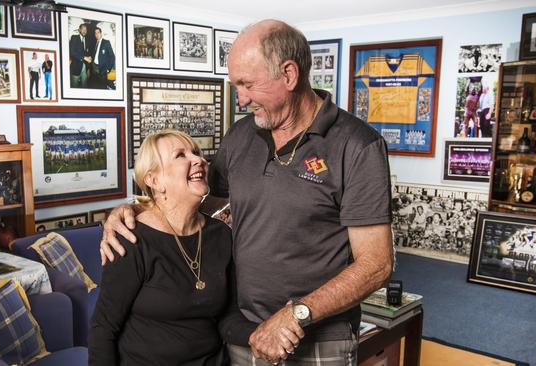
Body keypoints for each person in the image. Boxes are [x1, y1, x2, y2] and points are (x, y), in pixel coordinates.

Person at [100, 19, 393, 365]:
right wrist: (131, 212)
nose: (240, 99)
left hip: (319, 337)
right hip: (243, 332)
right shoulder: (241, 136)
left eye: (247, 84)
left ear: (288, 75)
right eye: (236, 85)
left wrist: (298, 313)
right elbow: (193, 199)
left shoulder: (358, 146)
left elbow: (377, 264)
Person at [88, 129, 271, 365]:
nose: (199, 160)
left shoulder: (220, 234)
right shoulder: (130, 238)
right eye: (180, 155)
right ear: (154, 180)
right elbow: (103, 329)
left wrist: (263, 333)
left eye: (196, 153)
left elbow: (227, 317)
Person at [69, 23, 91, 88]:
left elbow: (88, 54)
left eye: (86, 30)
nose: (84, 31)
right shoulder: (74, 37)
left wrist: (88, 69)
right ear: (79, 30)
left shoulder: (87, 40)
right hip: (76, 67)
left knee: (85, 86)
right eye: (83, 29)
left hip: (85, 67)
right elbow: (72, 52)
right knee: (74, 86)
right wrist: (84, 57)